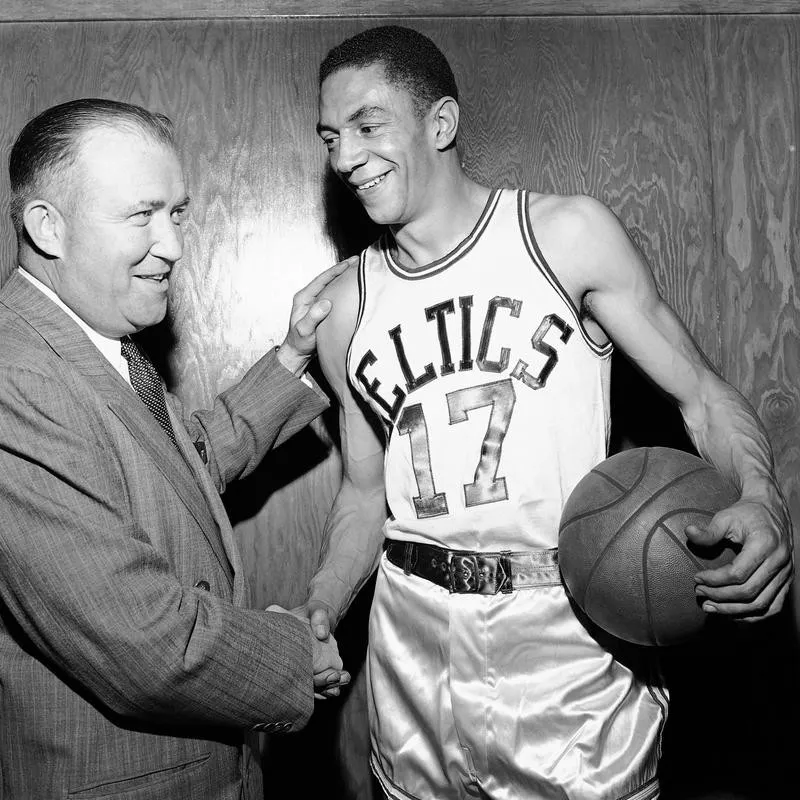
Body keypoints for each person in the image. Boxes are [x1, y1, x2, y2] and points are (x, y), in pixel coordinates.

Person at [299, 25, 794, 800]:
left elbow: (700, 393)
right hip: (414, 649)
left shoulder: (562, 236)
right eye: (331, 137)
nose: (344, 158)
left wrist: (761, 497)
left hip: (564, 638)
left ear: (441, 124)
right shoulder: (342, 307)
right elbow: (366, 496)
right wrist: (322, 606)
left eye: (367, 126)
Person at [0, 98, 352, 799]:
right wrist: (295, 653)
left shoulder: (93, 345)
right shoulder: (15, 376)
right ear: (47, 227)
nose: (174, 244)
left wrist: (292, 356)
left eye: (177, 213)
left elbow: (170, 464)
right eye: (142, 215)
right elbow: (142, 641)